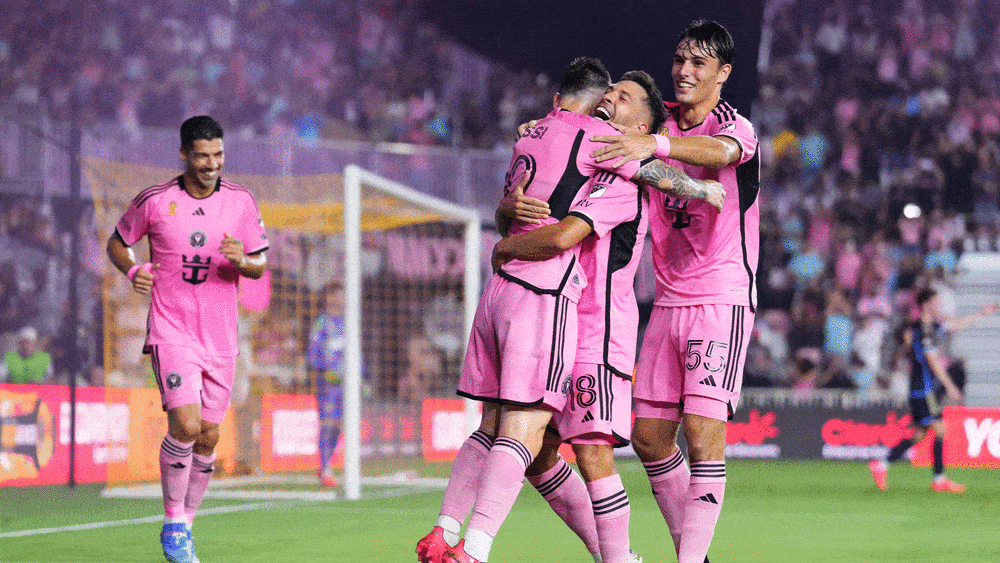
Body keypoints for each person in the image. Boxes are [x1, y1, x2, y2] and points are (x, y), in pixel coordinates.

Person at [419, 57, 723, 563]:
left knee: (591, 451)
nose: (610, 98)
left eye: (624, 97)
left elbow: (565, 232)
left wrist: (702, 188)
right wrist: (507, 210)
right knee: (533, 448)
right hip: (551, 311)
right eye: (610, 91)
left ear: (642, 128)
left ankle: (615, 558)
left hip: (595, 329)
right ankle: (607, 555)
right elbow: (536, 188)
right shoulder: (587, 154)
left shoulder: (621, 178)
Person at [588, 21, 760, 563]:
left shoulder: (734, 126)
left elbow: (721, 152)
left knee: (704, 437)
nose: (684, 71)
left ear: (722, 73)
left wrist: (654, 143)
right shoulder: (657, 117)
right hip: (666, 299)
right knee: (649, 438)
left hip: (720, 297)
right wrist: (545, 123)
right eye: (680, 59)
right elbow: (603, 117)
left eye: (698, 63)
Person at [106, 115, 268, 563]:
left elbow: (259, 264)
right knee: (186, 426)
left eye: (218, 154)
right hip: (172, 331)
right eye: (202, 156)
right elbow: (117, 242)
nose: (212, 164)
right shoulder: (155, 201)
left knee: (209, 438)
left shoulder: (241, 201)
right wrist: (133, 270)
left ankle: (187, 526)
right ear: (183, 155)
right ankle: (173, 522)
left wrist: (242, 261)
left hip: (221, 338)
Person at [868, 288, 997, 493]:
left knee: (919, 435)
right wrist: (950, 386)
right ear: (927, 305)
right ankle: (939, 480)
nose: (940, 306)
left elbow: (955, 325)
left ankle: (881, 465)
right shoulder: (922, 330)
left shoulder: (930, 327)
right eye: (936, 302)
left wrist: (982, 313)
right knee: (940, 428)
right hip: (923, 389)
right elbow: (932, 361)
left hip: (922, 388)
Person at [308, 282, 346, 488]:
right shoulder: (322, 322)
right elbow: (312, 353)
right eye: (335, 295)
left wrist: (360, 374)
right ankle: (325, 468)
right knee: (328, 423)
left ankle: (327, 464)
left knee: (339, 426)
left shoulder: (348, 322)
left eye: (341, 295)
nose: (339, 299)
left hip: (345, 384)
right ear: (328, 298)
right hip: (327, 382)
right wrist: (325, 370)